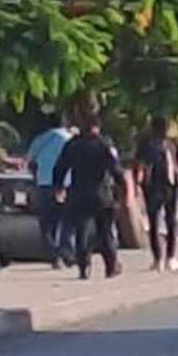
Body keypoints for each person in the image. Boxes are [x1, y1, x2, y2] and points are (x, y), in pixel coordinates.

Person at [54, 113, 125, 280]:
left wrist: (59, 187)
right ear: (97, 127)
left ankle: (84, 268)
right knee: (105, 232)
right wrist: (123, 187)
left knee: (82, 232)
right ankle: (111, 266)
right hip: (102, 194)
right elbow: (115, 169)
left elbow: (60, 167)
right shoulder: (103, 145)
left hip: (79, 193)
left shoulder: (72, 144)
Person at [136, 116, 178, 273]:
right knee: (171, 221)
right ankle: (170, 258)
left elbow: (140, 166)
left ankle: (158, 259)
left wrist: (137, 186)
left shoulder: (146, 144)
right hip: (170, 185)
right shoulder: (174, 144)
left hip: (153, 186)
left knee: (154, 223)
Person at [27, 113, 74, 269]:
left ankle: (54, 256)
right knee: (66, 221)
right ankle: (67, 252)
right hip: (66, 184)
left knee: (47, 224)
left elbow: (31, 158)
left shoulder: (43, 138)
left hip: (44, 183)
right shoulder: (70, 138)